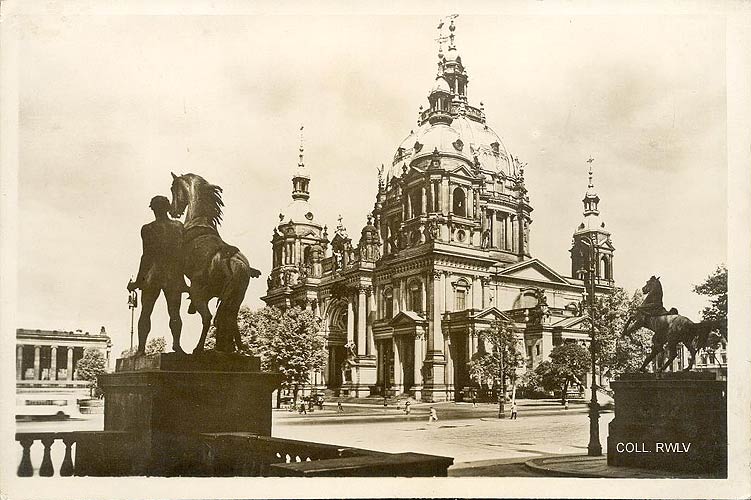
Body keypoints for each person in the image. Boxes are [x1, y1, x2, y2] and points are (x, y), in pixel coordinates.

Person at [127, 195, 189, 355]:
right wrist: (185, 280)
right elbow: (183, 254)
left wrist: (137, 282)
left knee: (146, 312)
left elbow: (146, 256)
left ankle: (141, 349)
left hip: (152, 276)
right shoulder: (178, 226)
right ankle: (177, 345)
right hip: (173, 276)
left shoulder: (147, 229)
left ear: (153, 209)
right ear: (168, 208)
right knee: (175, 313)